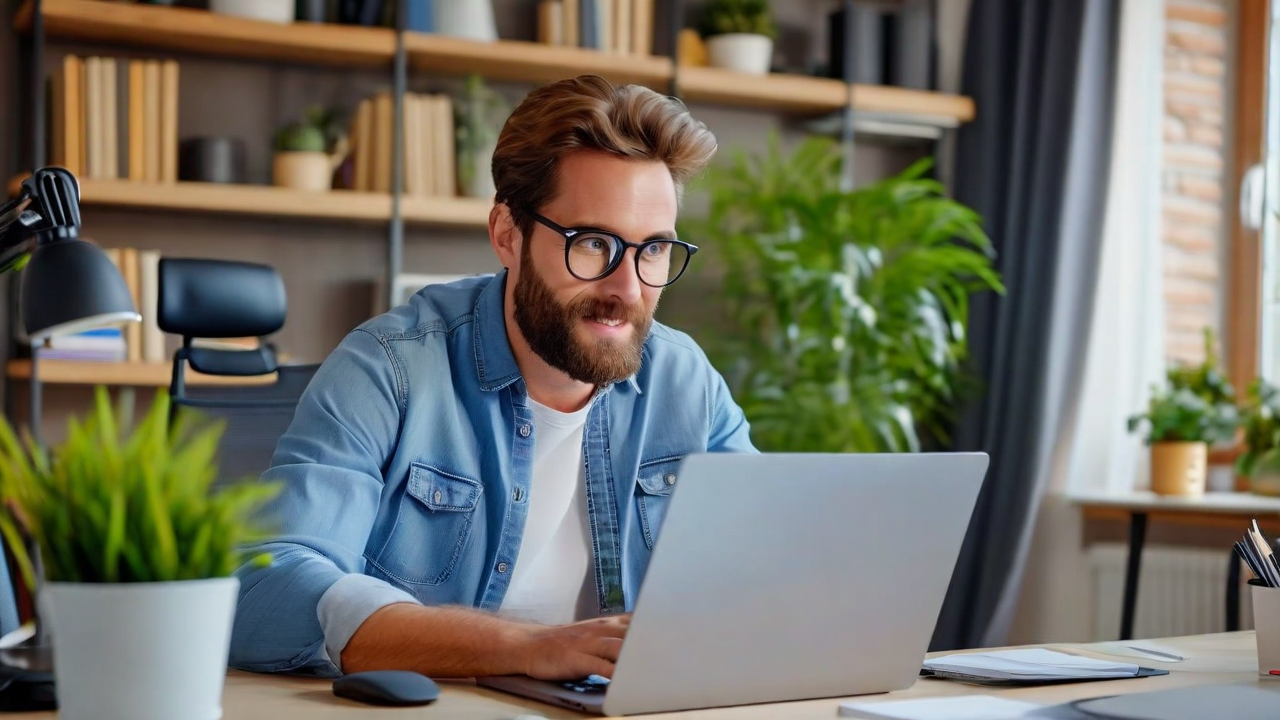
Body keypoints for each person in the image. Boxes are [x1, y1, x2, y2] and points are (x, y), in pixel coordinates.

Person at [227, 74, 757, 682]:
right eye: (592, 244)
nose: (628, 289)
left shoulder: (685, 382)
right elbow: (265, 589)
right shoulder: (390, 368)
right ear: (508, 235)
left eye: (653, 250)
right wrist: (521, 648)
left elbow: (766, 568)